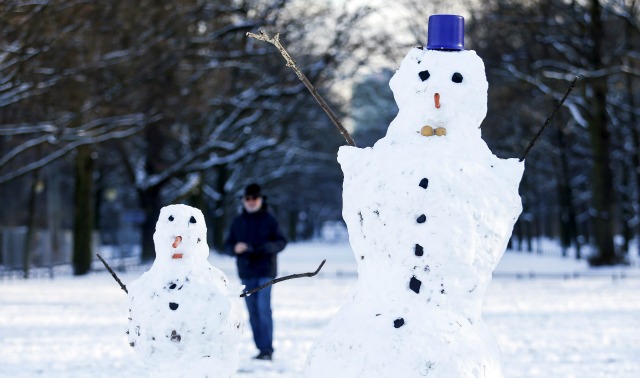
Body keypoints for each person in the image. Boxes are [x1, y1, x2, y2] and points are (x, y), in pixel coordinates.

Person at [223, 183, 287, 361]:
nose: (251, 202)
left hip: (266, 271)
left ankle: (267, 349)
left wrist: (260, 248)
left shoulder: (270, 219)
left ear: (261, 199)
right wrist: (235, 248)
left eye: (254, 198)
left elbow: (281, 242)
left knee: (263, 308)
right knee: (253, 312)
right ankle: (261, 349)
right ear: (243, 201)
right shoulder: (237, 222)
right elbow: (227, 246)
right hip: (246, 273)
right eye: (247, 199)